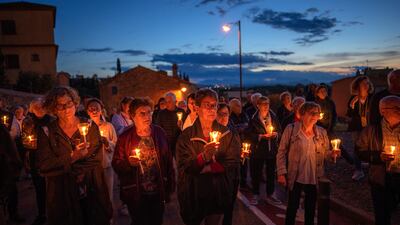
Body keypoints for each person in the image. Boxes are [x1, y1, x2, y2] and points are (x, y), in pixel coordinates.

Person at [37, 86, 112, 225]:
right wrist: (73, 157)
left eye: (69, 104)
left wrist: (68, 168)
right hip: (62, 194)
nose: (66, 109)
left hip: (92, 190)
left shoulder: (89, 126)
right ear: (53, 109)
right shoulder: (46, 132)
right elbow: (44, 166)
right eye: (60, 106)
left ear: (75, 103)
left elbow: (95, 159)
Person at [176, 88, 240, 225]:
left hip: (217, 192)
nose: (212, 109)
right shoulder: (187, 136)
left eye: (214, 105)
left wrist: (210, 168)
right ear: (197, 108)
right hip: (194, 192)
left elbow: (233, 160)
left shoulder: (227, 133)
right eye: (207, 105)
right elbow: (183, 164)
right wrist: (203, 157)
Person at [112, 98, 175, 225]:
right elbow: (116, 163)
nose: (147, 116)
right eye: (142, 113)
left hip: (158, 189)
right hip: (136, 191)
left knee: (157, 221)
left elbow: (168, 161)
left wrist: (170, 185)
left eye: (149, 112)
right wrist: (129, 163)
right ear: (132, 116)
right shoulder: (125, 137)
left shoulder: (159, 132)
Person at [277, 102, 338, 225]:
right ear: (302, 115)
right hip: (296, 176)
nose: (315, 116)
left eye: (317, 113)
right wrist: (281, 172)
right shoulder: (291, 129)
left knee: (310, 209)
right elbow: (281, 152)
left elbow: (325, 153)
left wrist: (332, 155)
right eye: (312, 113)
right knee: (292, 208)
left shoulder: (322, 132)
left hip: (314, 177)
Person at [356, 96, 400, 225]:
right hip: (380, 178)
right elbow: (359, 151)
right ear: (383, 111)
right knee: (382, 215)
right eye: (396, 108)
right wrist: (377, 157)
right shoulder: (371, 130)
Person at [21, 98, 54, 225]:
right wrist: (28, 143)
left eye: (41, 107)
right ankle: (42, 214)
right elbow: (24, 140)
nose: (39, 109)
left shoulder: (51, 121)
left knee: (52, 188)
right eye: (36, 107)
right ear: (32, 109)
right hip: (36, 158)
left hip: (51, 158)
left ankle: (54, 212)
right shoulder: (28, 121)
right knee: (39, 188)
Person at [245, 96, 282, 205]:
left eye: (267, 104)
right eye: (263, 104)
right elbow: (248, 135)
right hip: (258, 151)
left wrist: (276, 135)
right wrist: (261, 136)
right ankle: (255, 194)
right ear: (258, 105)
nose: (266, 106)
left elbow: (279, 129)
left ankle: (270, 195)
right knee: (256, 173)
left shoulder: (273, 116)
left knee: (271, 174)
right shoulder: (253, 118)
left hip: (271, 150)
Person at [86, 98, 117, 206]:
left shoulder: (108, 126)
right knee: (94, 196)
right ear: (87, 111)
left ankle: (109, 219)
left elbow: (115, 144)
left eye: (96, 108)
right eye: (91, 109)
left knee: (108, 194)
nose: (94, 111)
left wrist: (107, 143)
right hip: (91, 168)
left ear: (101, 111)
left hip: (106, 166)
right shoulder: (85, 128)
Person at [345, 76, 374, 181]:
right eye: (363, 84)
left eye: (367, 83)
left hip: (369, 127)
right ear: (358, 86)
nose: (366, 85)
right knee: (357, 147)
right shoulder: (353, 99)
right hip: (356, 126)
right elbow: (349, 115)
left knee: (371, 147)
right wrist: (352, 105)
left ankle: (372, 169)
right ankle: (358, 170)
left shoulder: (372, 98)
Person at [216, 103, 241, 225]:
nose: (223, 117)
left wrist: (241, 154)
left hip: (234, 174)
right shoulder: (213, 132)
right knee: (216, 208)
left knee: (230, 205)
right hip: (219, 175)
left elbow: (237, 147)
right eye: (219, 114)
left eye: (225, 114)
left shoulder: (232, 128)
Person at [0, 123, 23, 225]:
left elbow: (10, 147)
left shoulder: (1, 128)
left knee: (11, 191)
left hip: (4, 165)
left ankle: (13, 214)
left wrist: (16, 164)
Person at [155, 92, 185, 157]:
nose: (167, 104)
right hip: (166, 143)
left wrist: (181, 126)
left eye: (169, 102)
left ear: (175, 102)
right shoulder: (161, 113)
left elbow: (186, 128)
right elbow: (158, 128)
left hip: (179, 143)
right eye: (166, 102)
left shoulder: (181, 112)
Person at [229, 98, 249, 188]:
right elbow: (231, 129)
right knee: (236, 165)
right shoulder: (230, 117)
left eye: (240, 105)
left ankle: (244, 183)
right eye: (237, 105)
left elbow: (248, 125)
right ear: (232, 107)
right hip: (235, 145)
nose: (240, 107)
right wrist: (241, 126)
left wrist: (243, 127)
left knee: (245, 164)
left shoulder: (244, 115)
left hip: (244, 142)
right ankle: (235, 183)